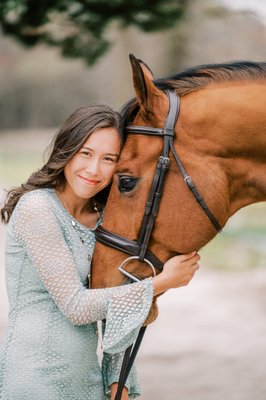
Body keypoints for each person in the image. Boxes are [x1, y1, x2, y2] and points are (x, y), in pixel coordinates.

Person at [0, 104, 200, 400]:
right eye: (86, 153)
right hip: (33, 378)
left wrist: (119, 380)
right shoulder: (37, 209)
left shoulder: (106, 219)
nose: (94, 170)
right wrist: (162, 283)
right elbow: (76, 306)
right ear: (66, 149)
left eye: (109, 159)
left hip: (87, 382)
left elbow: (116, 303)